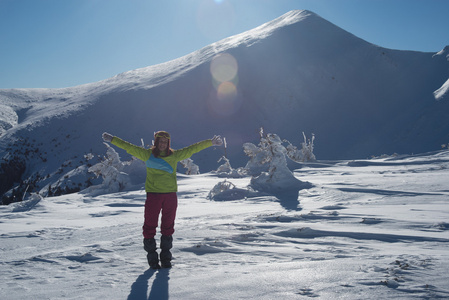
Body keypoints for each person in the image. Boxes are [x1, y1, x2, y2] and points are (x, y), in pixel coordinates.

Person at [102, 131, 223, 269]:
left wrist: (210, 142)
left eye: (165, 142)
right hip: (153, 196)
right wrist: (113, 139)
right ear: (156, 142)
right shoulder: (148, 155)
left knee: (168, 227)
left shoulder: (174, 155)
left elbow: (192, 149)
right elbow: (128, 147)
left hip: (170, 196)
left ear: (168, 143)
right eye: (160, 141)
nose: (163, 144)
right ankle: (152, 258)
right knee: (149, 226)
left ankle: (166, 258)